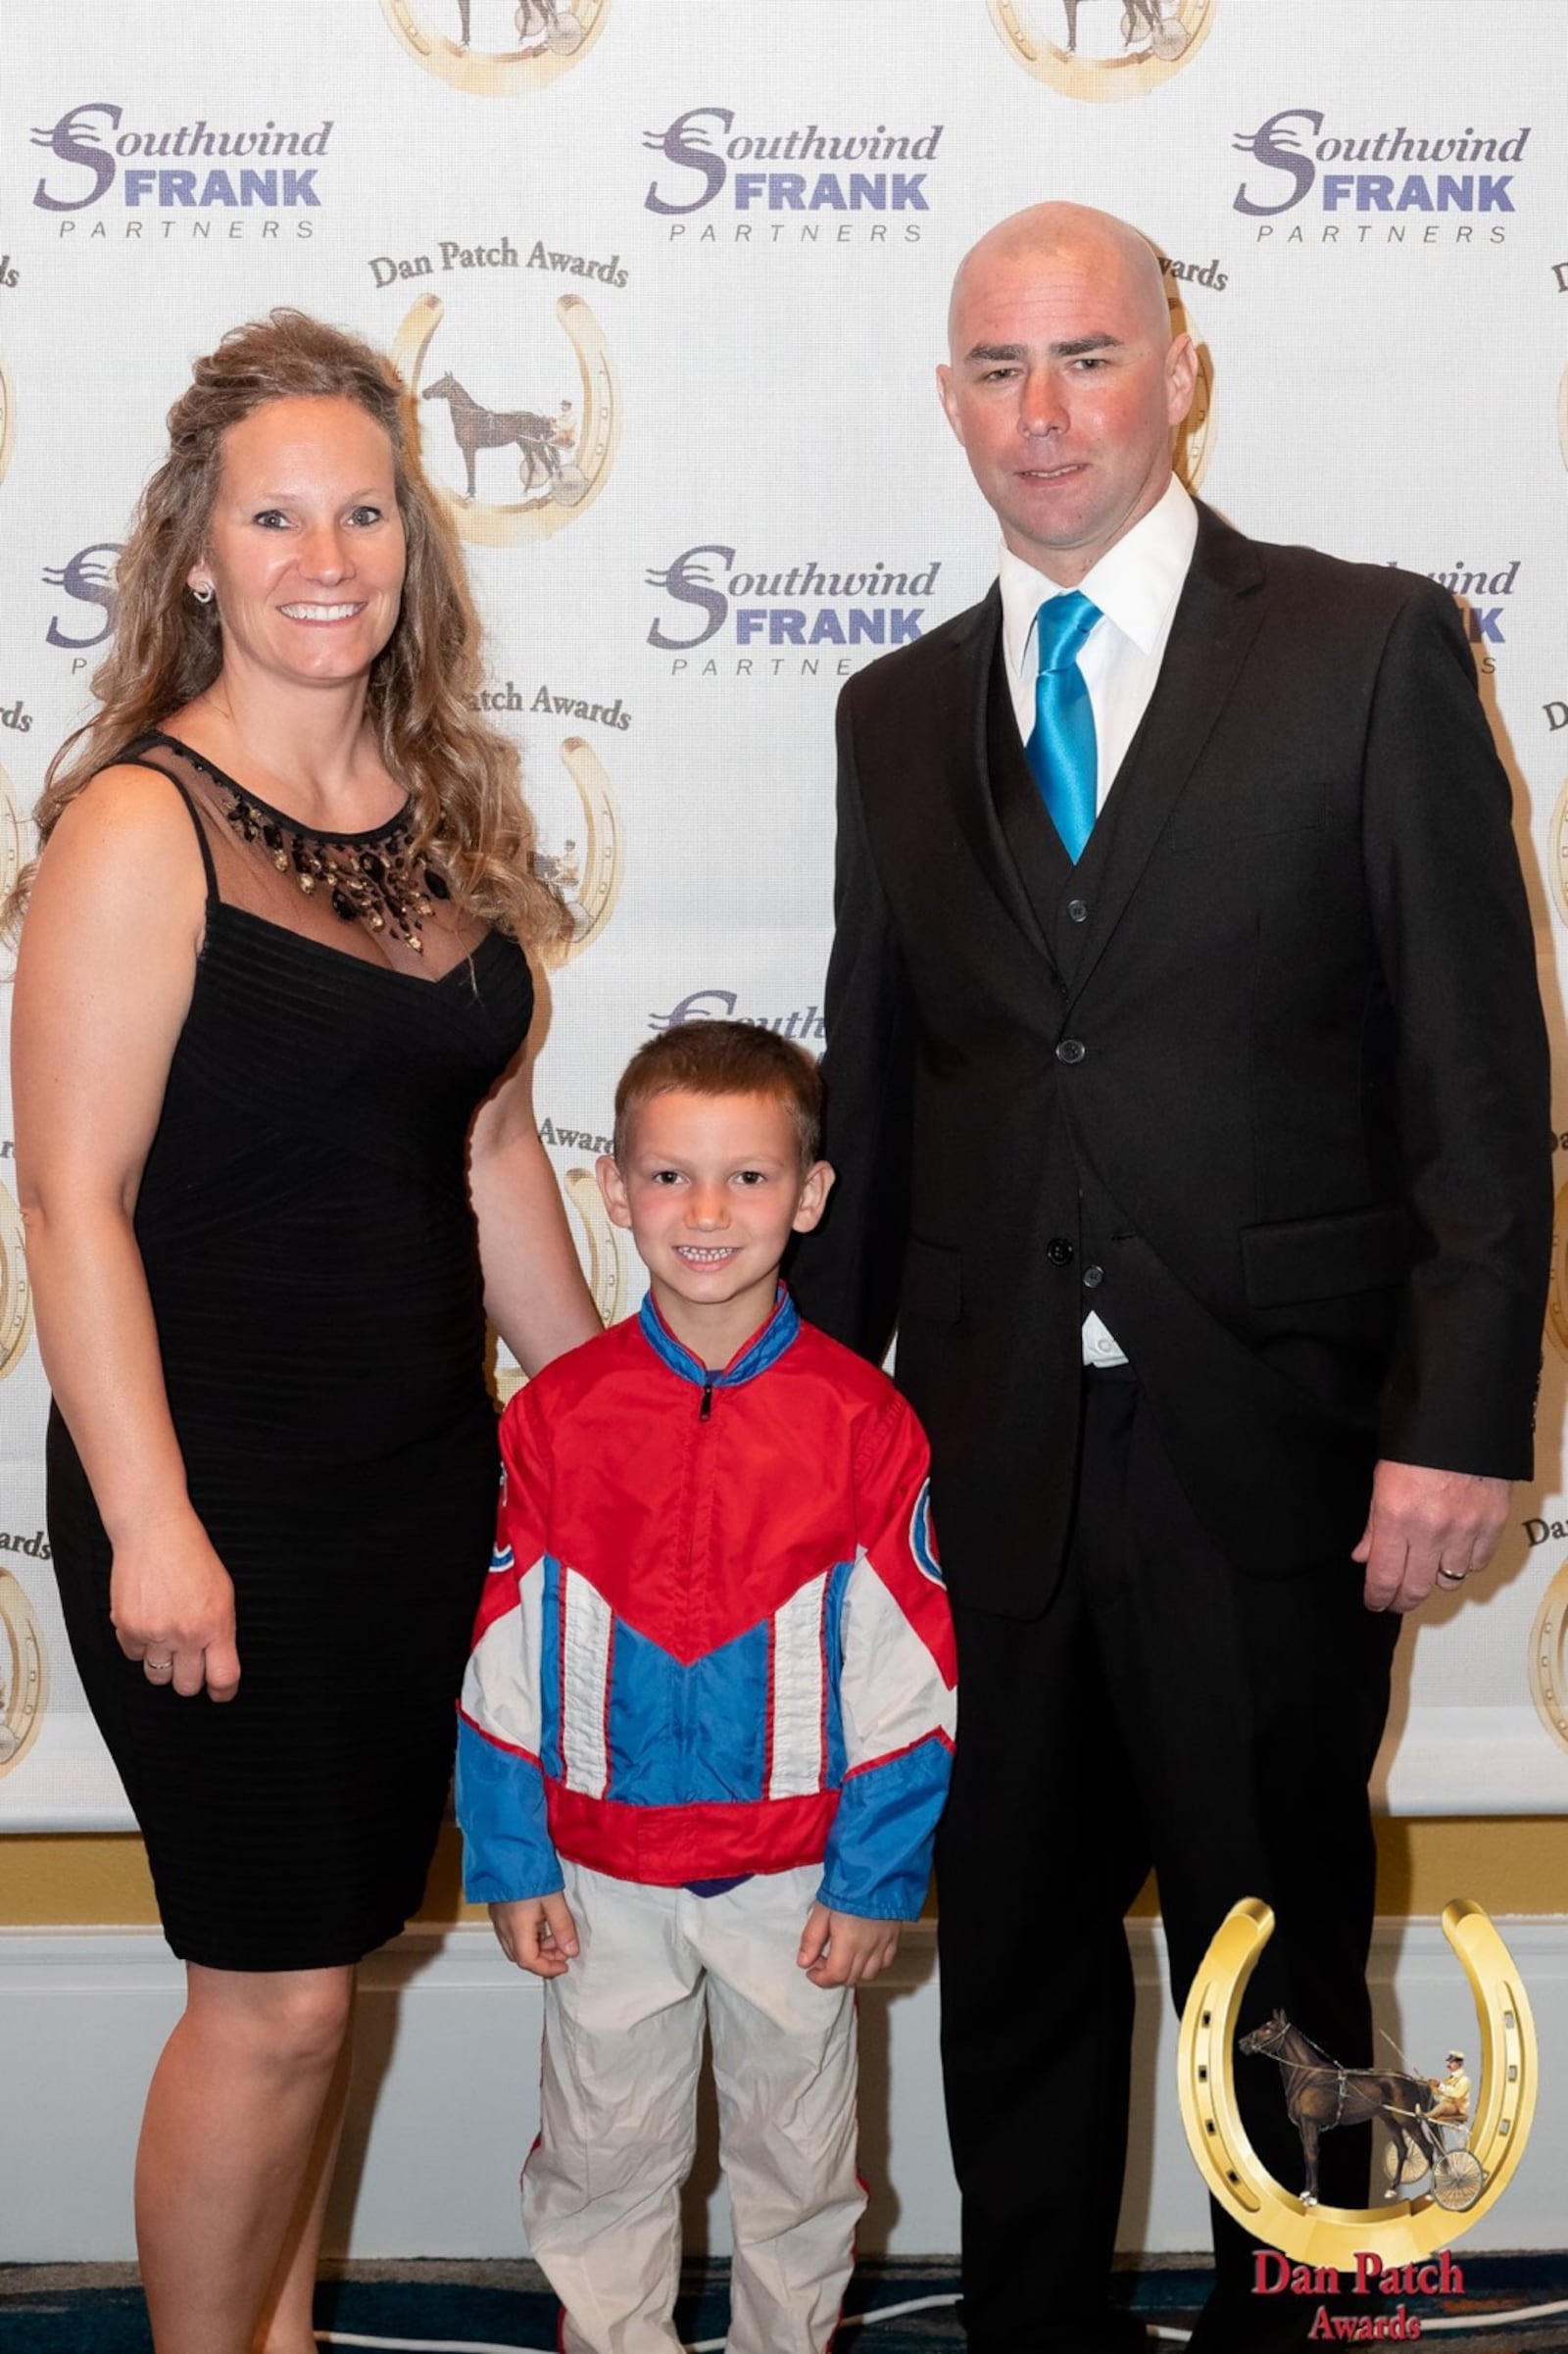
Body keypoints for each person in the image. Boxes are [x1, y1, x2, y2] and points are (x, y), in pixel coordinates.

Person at [789, 202, 1551, 2352]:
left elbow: (1474, 1087)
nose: (1042, 417)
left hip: (1281, 1453)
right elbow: (881, 1088)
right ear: (947, 399)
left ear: (1175, 368)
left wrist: (1453, 1417)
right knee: (1013, 1948)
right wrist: (809, 1452)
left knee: (1282, 1960)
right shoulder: (891, 712)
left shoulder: (1367, 646)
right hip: (986, 1455)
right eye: (995, 371)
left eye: (1084, 360)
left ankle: (1296, 2332)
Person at [9, 310, 601, 2354]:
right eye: (276, 514)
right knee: (264, 1994)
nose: (324, 550)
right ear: (197, 551)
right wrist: (153, 1521)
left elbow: (498, 1146)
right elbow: (69, 1201)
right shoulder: (135, 826)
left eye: (364, 508)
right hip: (217, 1498)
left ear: (408, 546)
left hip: (418, 1493)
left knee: (322, 1975)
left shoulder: (435, 825)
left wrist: (617, 1428)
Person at [457, 1020, 956, 2354]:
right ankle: (611, 2334)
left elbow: (913, 1677)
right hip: (602, 1873)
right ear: (612, 1188)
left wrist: (872, 1875)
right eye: (669, 1176)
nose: (705, 1211)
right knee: (607, 2145)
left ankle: (791, 2336)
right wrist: (513, 1854)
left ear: (809, 1194)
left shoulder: (866, 1422)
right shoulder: (557, 1417)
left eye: (746, 1177)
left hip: (794, 1878)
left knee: (801, 2157)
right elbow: (501, 1652)